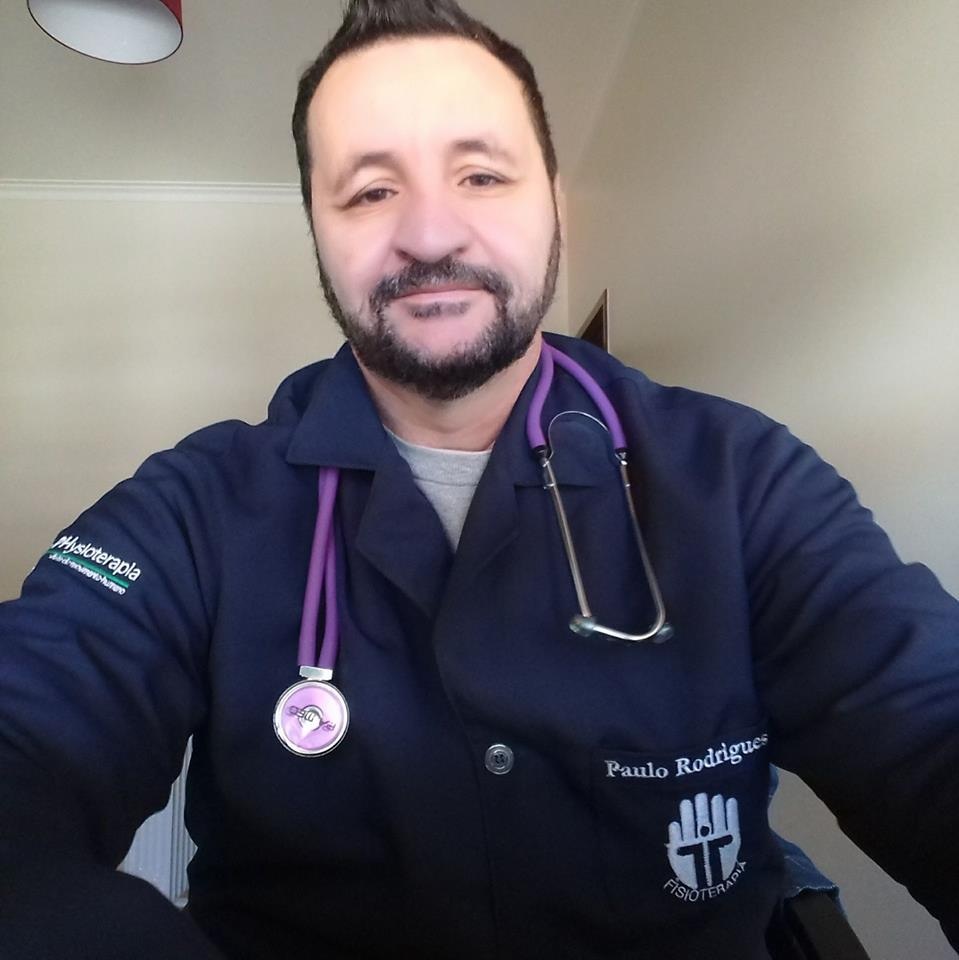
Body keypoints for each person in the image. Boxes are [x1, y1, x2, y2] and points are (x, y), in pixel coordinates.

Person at [1, 1, 957, 957]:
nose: (428, 234)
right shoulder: (196, 510)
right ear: (318, 232)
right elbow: (27, 731)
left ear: (554, 203)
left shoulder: (741, 478)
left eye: (481, 175)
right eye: (370, 191)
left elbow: (924, 717)